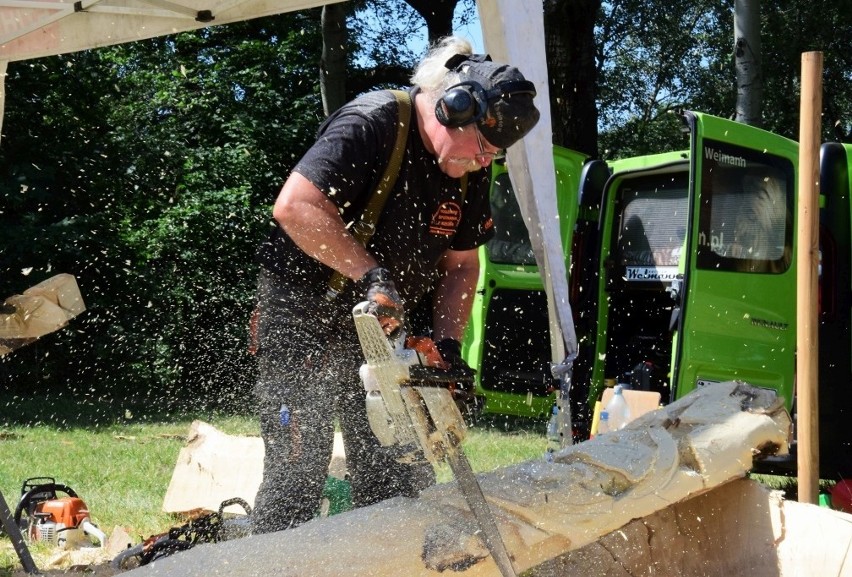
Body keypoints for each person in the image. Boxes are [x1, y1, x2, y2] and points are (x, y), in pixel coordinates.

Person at [250, 35, 541, 534]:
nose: (486, 160)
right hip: (304, 317)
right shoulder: (373, 124)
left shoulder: (468, 171)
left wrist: (446, 345)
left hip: (385, 327)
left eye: (496, 153)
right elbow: (294, 207)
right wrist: (372, 275)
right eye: (484, 146)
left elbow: (462, 266)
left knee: (396, 471)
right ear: (455, 106)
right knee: (296, 472)